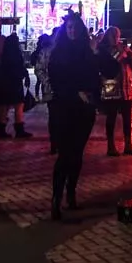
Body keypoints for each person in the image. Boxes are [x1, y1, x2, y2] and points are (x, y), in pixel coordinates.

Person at [48, 14, 101, 220]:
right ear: (65, 29)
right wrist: (75, 92)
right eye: (69, 27)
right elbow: (56, 81)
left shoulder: (88, 52)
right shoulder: (58, 53)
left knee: (77, 154)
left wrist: (97, 53)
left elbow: (104, 73)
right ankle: (56, 198)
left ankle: (71, 194)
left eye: (76, 27)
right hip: (64, 109)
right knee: (65, 155)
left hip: (84, 110)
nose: (72, 31)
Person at [96, 26, 132, 156]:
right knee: (112, 117)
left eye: (117, 35)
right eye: (113, 36)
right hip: (112, 88)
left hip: (126, 87)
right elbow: (108, 66)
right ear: (107, 36)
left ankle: (128, 145)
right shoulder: (103, 50)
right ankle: (111, 146)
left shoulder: (123, 48)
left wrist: (130, 56)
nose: (115, 38)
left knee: (127, 117)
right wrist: (120, 54)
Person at [0, 31, 32, 140]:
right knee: (18, 106)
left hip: (4, 84)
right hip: (15, 84)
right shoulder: (17, 56)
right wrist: (25, 76)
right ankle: (19, 129)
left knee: (4, 107)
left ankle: (1, 130)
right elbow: (21, 69)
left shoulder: (3, 56)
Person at [32, 33, 57, 154]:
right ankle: (54, 143)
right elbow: (39, 69)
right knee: (53, 117)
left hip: (66, 90)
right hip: (51, 90)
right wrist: (47, 82)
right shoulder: (46, 51)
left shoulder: (68, 50)